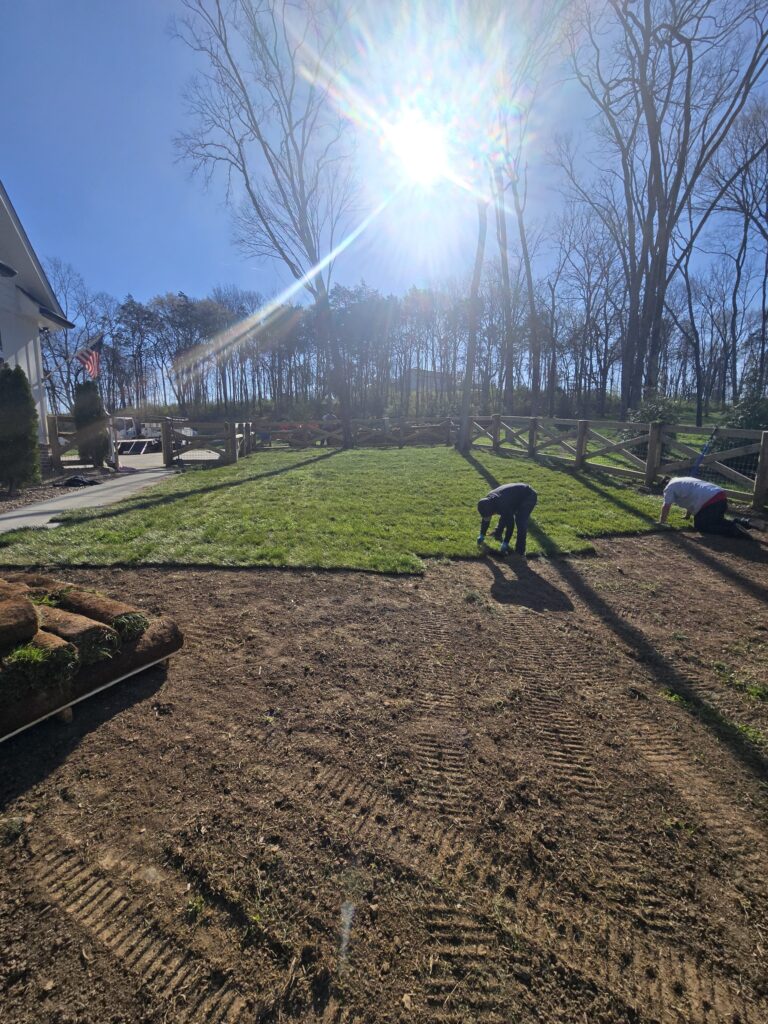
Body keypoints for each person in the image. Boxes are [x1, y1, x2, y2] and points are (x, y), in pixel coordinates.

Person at [658, 476, 765, 537]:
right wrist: (687, 516)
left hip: (710, 501)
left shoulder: (669, 488)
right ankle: (747, 522)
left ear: (664, 484)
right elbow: (690, 497)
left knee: (701, 526)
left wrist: (662, 522)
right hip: (720, 496)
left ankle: (734, 530)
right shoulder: (682, 480)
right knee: (717, 521)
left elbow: (666, 506)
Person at [477, 482, 538, 556]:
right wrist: (482, 534)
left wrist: (506, 542)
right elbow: (486, 518)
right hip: (514, 495)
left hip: (528, 496)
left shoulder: (503, 505)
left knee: (520, 521)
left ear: (493, 510)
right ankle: (497, 533)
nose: (489, 517)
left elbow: (510, 526)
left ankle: (520, 551)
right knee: (505, 514)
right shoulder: (487, 501)